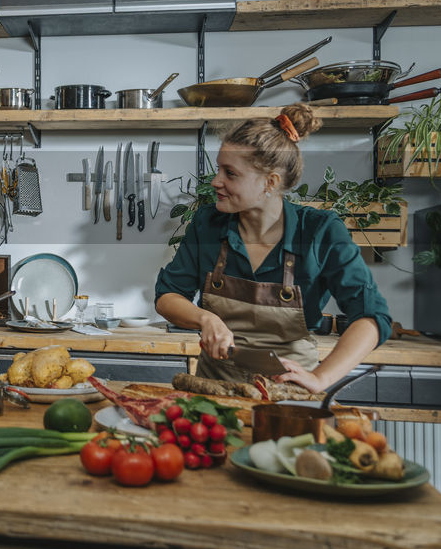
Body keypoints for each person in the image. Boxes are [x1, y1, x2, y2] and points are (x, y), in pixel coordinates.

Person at [154, 104, 391, 393]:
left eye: (230, 173)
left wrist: (321, 378)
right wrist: (206, 318)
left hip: (287, 393)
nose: (216, 181)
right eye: (219, 169)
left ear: (270, 182)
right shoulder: (208, 224)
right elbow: (168, 296)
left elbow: (371, 317)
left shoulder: (320, 230)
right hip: (214, 391)